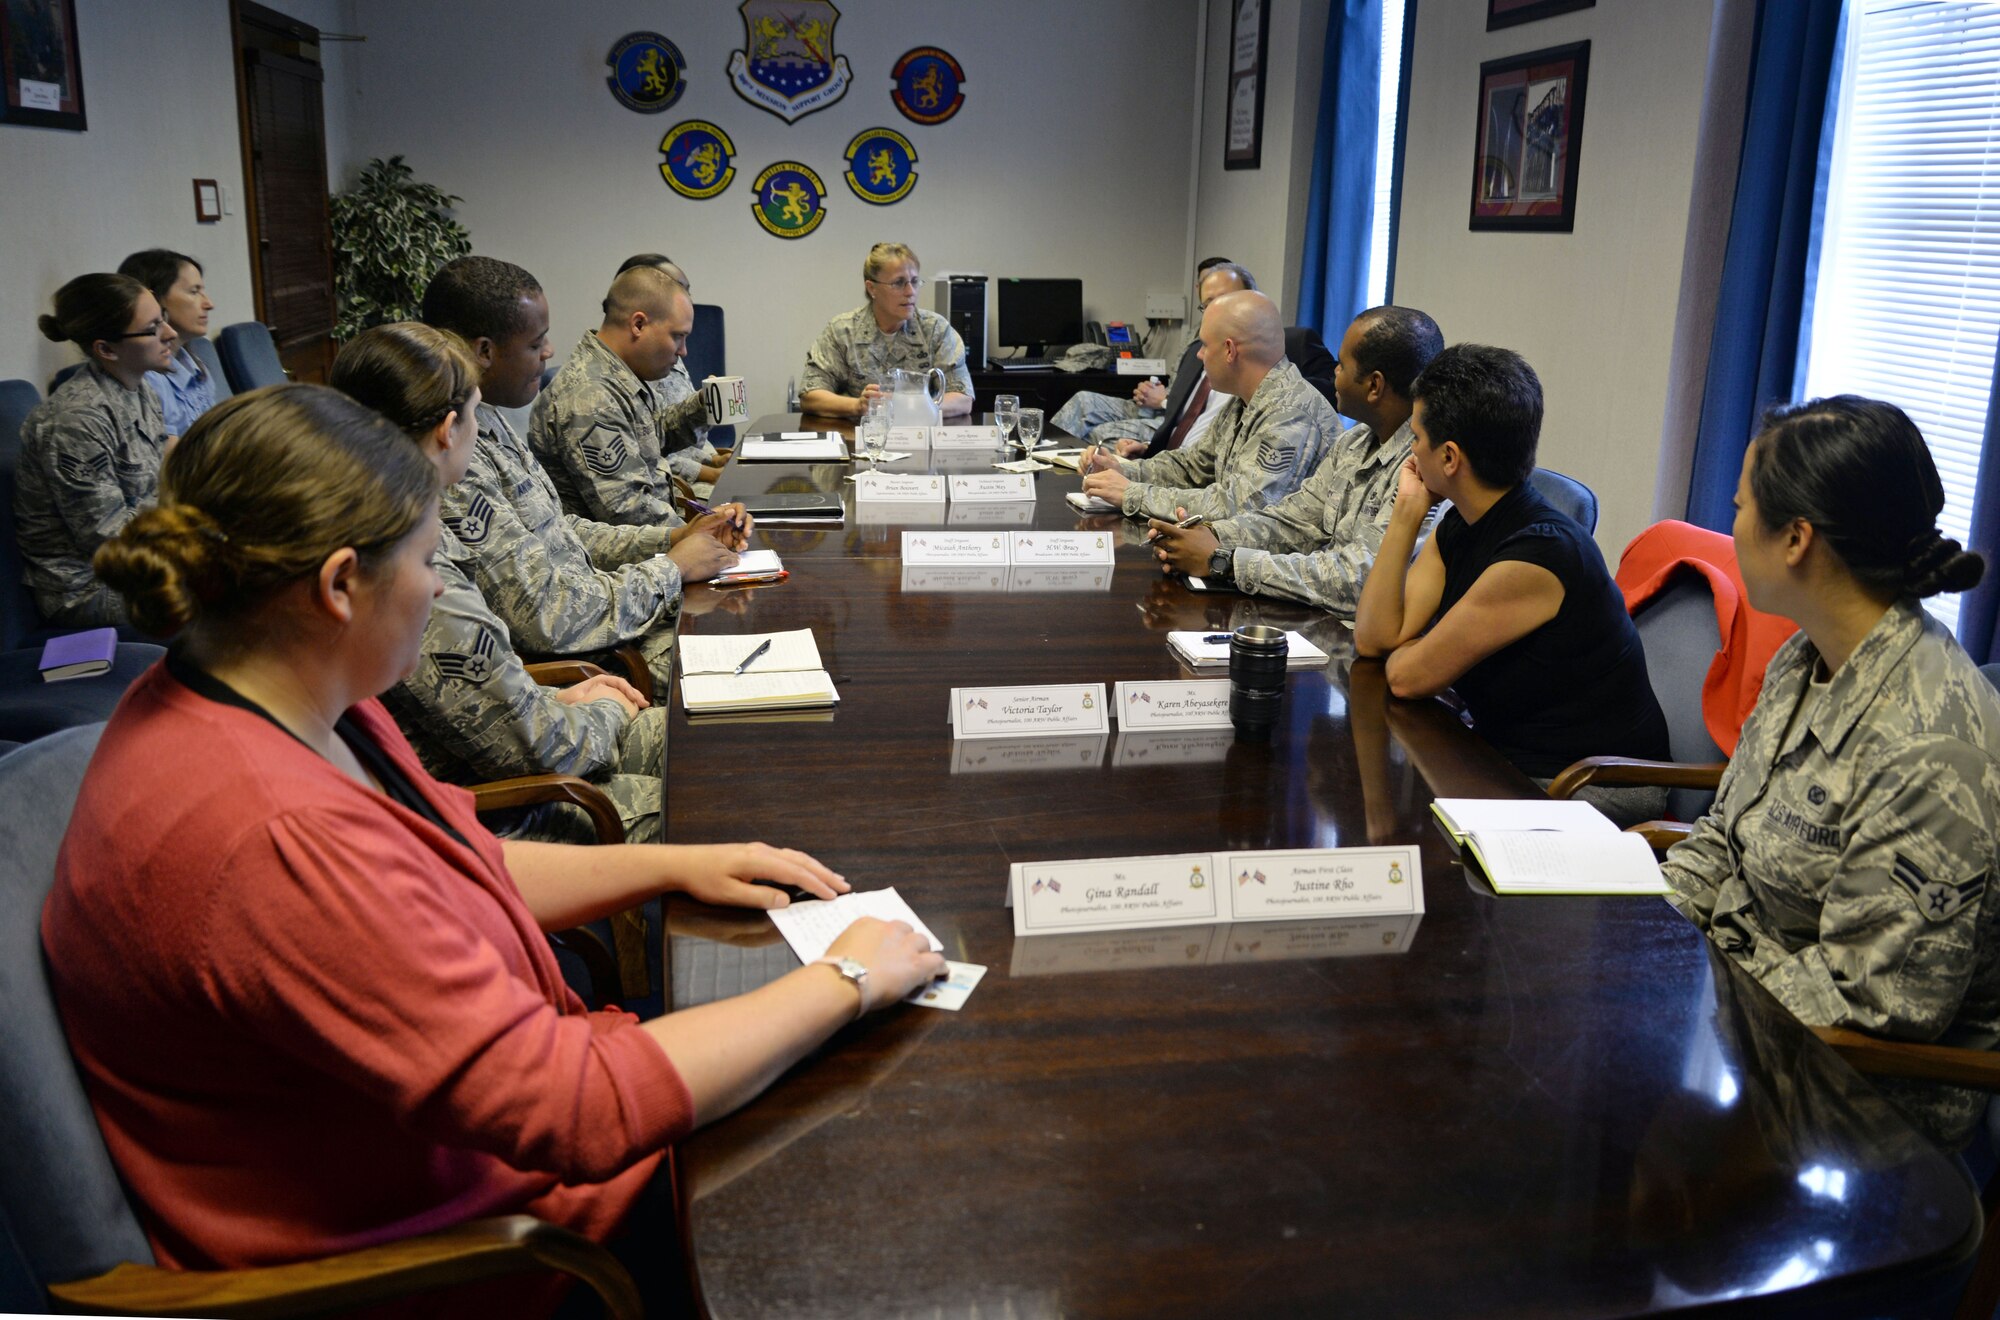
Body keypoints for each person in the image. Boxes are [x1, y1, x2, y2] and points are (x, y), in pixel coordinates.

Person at [43, 384, 945, 1316]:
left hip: (476, 1149)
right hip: (485, 1257)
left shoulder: (264, 696)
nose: (439, 589)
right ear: (339, 584)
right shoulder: (272, 838)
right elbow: (577, 1112)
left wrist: (671, 862)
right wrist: (841, 981)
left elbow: (456, 855)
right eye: (429, 561)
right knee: (874, 1179)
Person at [1661, 396, 2000, 1149]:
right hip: (1741, 1008)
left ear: (1796, 539)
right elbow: (1727, 832)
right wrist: (1644, 936)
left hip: (1853, 1099)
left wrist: (1681, 1005)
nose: (1732, 520)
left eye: (1742, 507)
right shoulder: (1810, 652)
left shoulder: (1927, 747)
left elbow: (1871, 1003)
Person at [334, 322, 668, 848]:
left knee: (718, 747)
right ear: (449, 429)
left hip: (530, 751)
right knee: (708, 790)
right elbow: (540, 746)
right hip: (504, 814)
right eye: (474, 414)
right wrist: (603, 706)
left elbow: (486, 696)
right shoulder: (405, 563)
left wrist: (556, 695)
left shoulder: (377, 526)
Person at [1352, 344, 1670, 824]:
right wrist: (1405, 515)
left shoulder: (1539, 555)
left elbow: (1406, 676)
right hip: (1510, 754)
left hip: (1592, 783)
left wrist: (1415, 650)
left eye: (1416, 437)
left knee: (1421, 833)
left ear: (1451, 457)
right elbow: (1375, 640)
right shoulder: (1462, 522)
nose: (1411, 452)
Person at [419, 255, 747, 683]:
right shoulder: (456, 466)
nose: (550, 352)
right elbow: (547, 615)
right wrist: (674, 565)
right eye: (537, 343)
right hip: (605, 649)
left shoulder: (488, 418)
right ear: (484, 351)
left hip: (615, 607)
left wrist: (678, 536)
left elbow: (562, 531)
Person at [1150, 305, 1443, 615]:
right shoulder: (1354, 443)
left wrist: (1224, 561)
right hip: (1319, 620)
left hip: (1359, 641)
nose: (1333, 372)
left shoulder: (1421, 468)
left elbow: (1359, 579)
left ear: (1375, 386)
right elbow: (1293, 522)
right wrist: (1208, 536)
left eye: (1342, 365)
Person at [1077, 290, 1335, 522]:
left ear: (1229, 351)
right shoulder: (1243, 401)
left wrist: (1133, 494)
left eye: (1205, 345)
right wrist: (1123, 469)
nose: (1199, 355)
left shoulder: (1290, 414)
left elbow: (1243, 509)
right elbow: (1193, 467)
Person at [14, 272, 176, 626]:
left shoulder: (141, 390)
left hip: (143, 558)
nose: (170, 333)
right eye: (152, 328)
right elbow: (111, 542)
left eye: (162, 318)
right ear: (106, 349)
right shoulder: (76, 420)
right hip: (88, 589)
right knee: (235, 591)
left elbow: (156, 484)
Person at [529, 265, 710, 526]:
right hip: (628, 556)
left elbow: (656, 435)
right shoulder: (591, 396)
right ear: (638, 324)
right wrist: (705, 533)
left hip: (657, 540)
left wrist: (703, 405)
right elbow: (629, 513)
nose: (683, 351)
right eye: (677, 337)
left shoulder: (618, 375)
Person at [1052, 261, 1253, 453]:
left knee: (1101, 434)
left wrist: (1164, 401)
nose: (1215, 309)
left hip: (1172, 417)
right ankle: (1043, 461)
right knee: (1083, 400)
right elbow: (1184, 389)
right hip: (1164, 406)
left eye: (1225, 300)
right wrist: (1157, 392)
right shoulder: (1196, 341)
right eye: (1208, 303)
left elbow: (1199, 421)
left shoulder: (1247, 362)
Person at [799, 242, 974, 419]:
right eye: (899, 283)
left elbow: (962, 399)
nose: (910, 291)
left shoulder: (935, 329)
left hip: (919, 438)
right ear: (872, 288)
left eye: (914, 281)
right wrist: (857, 406)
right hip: (860, 438)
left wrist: (909, 405)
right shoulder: (842, 331)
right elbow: (811, 395)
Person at [614, 252, 729, 489]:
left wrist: (714, 458)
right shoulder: (639, 363)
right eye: (678, 289)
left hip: (683, 479)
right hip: (677, 486)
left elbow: (665, 436)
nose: (685, 298)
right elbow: (651, 458)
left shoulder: (666, 349)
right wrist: (711, 473)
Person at [116, 248, 217, 436]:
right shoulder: (147, 379)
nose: (209, 304)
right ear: (153, 300)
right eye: (194, 292)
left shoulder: (196, 366)